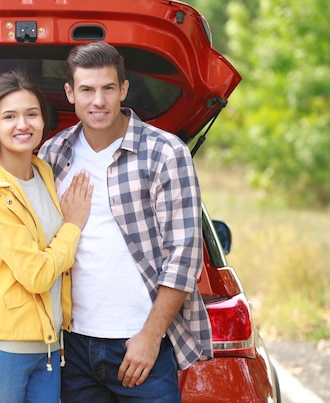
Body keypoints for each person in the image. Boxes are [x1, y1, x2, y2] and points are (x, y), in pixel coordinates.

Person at [38, 41, 212, 402]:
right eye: (86, 89)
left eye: (107, 88)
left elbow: (184, 256)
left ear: (124, 89)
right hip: (72, 346)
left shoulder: (165, 153)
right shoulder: (53, 154)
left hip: (140, 344)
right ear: (70, 93)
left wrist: (150, 338)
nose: (97, 101)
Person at [0, 70, 93, 403]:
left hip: (48, 348)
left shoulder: (42, 172)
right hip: (0, 350)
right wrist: (73, 226)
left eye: (31, 114)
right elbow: (36, 274)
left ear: (43, 121)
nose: (22, 124)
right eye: (10, 116)